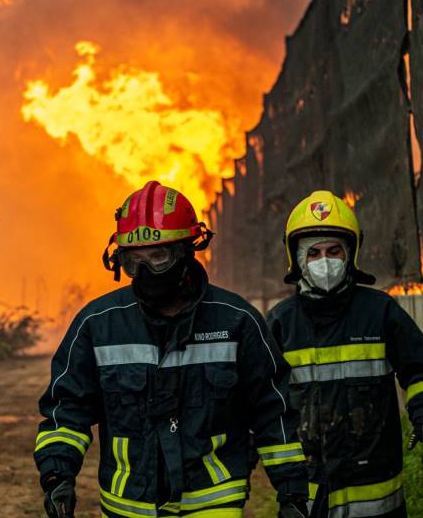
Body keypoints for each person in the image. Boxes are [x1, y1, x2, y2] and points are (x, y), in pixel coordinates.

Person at [34, 180, 310, 518]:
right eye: (134, 261)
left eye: (158, 256)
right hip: (128, 508)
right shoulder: (97, 325)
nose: (146, 271)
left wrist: (292, 492)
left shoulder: (237, 322)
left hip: (213, 505)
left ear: (186, 252)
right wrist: (57, 474)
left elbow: (273, 412)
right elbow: (67, 410)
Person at [265, 190, 423, 518]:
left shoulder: (380, 311)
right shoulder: (280, 322)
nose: (325, 261)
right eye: (315, 253)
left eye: (334, 250)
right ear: (298, 260)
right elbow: (262, 404)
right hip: (305, 496)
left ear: (350, 254)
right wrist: (284, 487)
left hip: (375, 493)